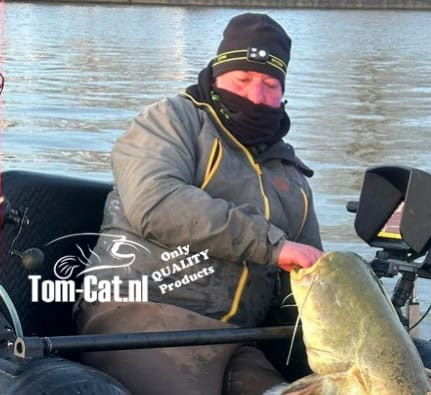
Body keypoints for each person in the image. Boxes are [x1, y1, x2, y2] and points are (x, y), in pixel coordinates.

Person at [74, 13, 323, 395]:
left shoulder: (291, 176)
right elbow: (155, 203)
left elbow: (308, 278)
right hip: (138, 313)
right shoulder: (171, 121)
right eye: (243, 80)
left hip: (238, 338)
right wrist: (272, 245)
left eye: (270, 84)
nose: (255, 95)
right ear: (217, 75)